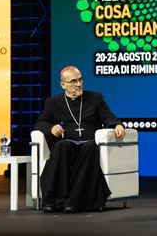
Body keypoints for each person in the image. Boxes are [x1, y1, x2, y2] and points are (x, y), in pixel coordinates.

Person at [34, 66, 125, 213]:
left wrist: (117, 125)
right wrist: (51, 128)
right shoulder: (53, 102)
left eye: (80, 80)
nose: (79, 84)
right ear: (63, 84)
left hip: (88, 145)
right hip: (66, 145)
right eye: (73, 81)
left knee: (90, 147)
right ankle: (52, 200)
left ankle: (73, 202)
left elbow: (109, 117)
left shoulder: (95, 98)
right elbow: (40, 123)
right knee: (61, 146)